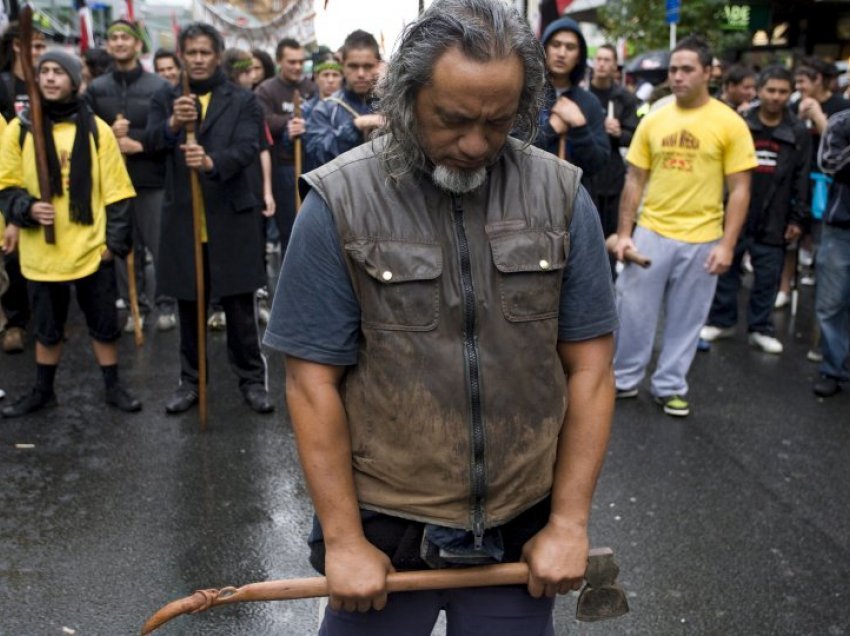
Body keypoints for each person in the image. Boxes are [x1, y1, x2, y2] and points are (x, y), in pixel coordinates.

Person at [263, 0, 618, 632]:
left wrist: (568, 523)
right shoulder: (338, 202)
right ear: (405, 96)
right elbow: (310, 382)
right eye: (452, 119)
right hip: (384, 532)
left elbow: (589, 370)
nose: (476, 144)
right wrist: (344, 541)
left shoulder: (563, 196)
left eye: (499, 121)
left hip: (520, 527)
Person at [612, 35, 757, 418]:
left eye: (687, 69)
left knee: (687, 321)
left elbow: (741, 189)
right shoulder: (654, 118)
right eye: (674, 69)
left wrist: (727, 245)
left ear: (709, 72)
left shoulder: (730, 122)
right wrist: (625, 233)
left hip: (703, 237)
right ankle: (624, 380)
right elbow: (635, 180)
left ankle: (669, 386)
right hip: (651, 232)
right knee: (633, 314)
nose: (677, 76)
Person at [0, 51, 141, 417]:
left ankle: (114, 387)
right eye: (43, 71)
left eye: (58, 72)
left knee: (103, 325)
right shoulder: (21, 129)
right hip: (41, 254)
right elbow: (6, 186)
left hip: (90, 249)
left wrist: (113, 245)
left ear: (75, 80)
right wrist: (26, 209)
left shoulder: (96, 129)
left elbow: (118, 193)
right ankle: (42, 391)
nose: (49, 78)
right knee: (47, 327)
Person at [147, 22, 272, 415]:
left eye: (205, 52)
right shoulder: (167, 97)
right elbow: (149, 142)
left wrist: (212, 161)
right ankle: (191, 382)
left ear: (218, 55)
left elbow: (249, 146)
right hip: (184, 215)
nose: (198, 59)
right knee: (189, 304)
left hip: (229, 214)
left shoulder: (242, 99)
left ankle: (252, 380)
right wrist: (171, 126)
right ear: (182, 56)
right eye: (191, 52)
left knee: (238, 306)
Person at [700, 66, 811, 354]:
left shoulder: (798, 131)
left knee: (767, 276)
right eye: (770, 90)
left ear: (790, 94)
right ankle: (723, 321)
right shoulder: (741, 123)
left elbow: (802, 176)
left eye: (783, 91)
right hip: (737, 210)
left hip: (776, 214)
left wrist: (798, 217)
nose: (776, 97)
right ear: (759, 91)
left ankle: (760, 328)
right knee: (727, 270)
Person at [85, 19, 176, 334]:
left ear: (138, 44)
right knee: (124, 246)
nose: (120, 42)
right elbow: (85, 134)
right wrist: (109, 135)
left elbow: (169, 132)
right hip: (114, 184)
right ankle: (135, 306)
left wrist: (138, 141)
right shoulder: (97, 89)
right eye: (114, 38)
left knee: (160, 244)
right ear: (109, 45)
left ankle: (165, 304)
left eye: (126, 37)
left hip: (152, 178)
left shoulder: (160, 87)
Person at [775, 58, 850, 308]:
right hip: (799, 177)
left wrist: (819, 116)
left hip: (828, 183)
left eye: (803, 82)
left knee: (821, 240)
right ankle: (784, 287)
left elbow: (839, 146)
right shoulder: (795, 104)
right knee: (791, 236)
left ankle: (822, 290)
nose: (799, 87)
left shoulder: (841, 107)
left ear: (818, 80)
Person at [0, 21, 46, 355]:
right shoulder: (3, 84)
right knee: (12, 251)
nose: (39, 53)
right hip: (11, 173)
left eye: (43, 47)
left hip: (45, 173)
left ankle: (47, 320)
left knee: (45, 250)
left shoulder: (46, 82)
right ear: (17, 45)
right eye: (35, 45)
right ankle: (15, 323)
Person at [254, 37, 315, 259]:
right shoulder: (266, 90)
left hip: (311, 166)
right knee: (289, 231)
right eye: (291, 62)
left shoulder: (311, 87)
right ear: (279, 61)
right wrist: (292, 120)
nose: (297, 67)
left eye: (301, 61)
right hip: (282, 168)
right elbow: (263, 122)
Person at [533, 16, 608, 179]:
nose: (562, 53)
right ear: (544, 49)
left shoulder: (590, 103)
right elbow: (511, 150)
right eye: (556, 45)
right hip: (528, 195)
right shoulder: (527, 95)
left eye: (570, 47)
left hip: (574, 199)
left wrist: (579, 126)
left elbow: (599, 164)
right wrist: (550, 129)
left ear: (579, 56)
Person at [588, 43, 638, 273]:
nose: (601, 64)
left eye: (607, 60)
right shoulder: (583, 94)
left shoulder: (624, 98)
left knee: (611, 231)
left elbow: (634, 135)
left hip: (613, 174)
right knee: (588, 229)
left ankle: (610, 278)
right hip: (587, 171)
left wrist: (620, 133)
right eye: (598, 59)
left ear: (615, 66)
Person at [304, 29, 383, 168]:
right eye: (353, 66)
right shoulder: (326, 108)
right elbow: (318, 155)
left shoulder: (393, 105)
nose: (360, 74)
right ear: (343, 65)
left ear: (378, 65)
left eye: (367, 66)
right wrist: (355, 127)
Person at [812, 109, 850, 397]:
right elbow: (830, 164)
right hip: (841, 228)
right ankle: (833, 368)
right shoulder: (840, 122)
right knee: (831, 302)